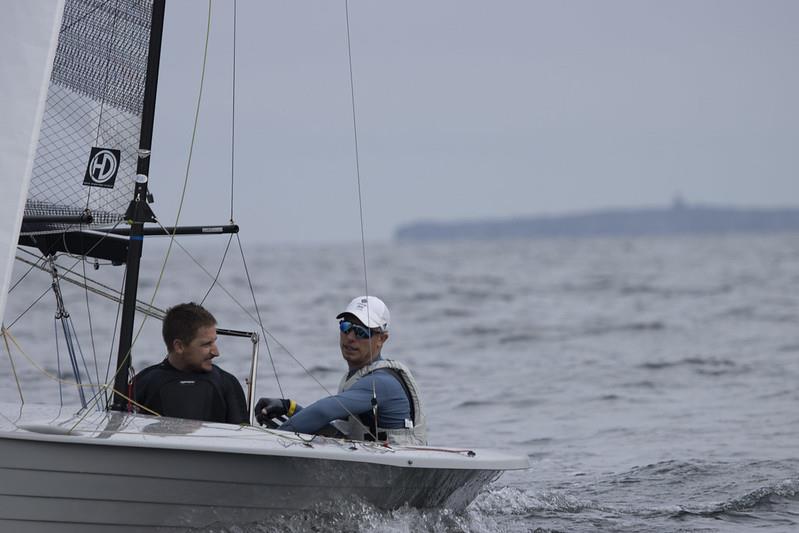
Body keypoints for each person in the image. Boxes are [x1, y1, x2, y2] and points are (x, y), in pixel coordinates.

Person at [254, 296, 427, 445]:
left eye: (361, 331)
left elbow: (322, 412)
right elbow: (337, 432)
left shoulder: (380, 382)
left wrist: (270, 442)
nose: (350, 337)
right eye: (346, 327)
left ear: (382, 339)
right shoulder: (354, 377)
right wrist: (288, 407)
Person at [134, 302, 248, 424]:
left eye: (214, 342)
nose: (216, 352)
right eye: (206, 344)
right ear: (179, 347)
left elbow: (246, 438)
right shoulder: (143, 383)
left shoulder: (227, 383)